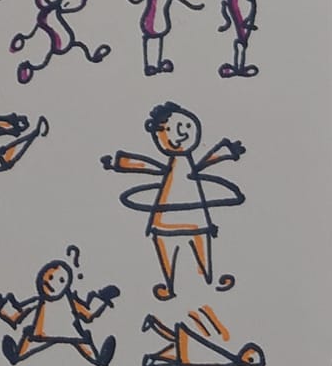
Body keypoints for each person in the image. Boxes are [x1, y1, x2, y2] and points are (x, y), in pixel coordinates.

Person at [102, 102, 246, 299]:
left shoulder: (188, 165)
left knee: (200, 245)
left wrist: (226, 152)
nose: (182, 133)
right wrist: (120, 163)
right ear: (159, 136)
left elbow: (204, 162)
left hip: (195, 220)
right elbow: (148, 166)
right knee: (167, 248)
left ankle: (207, 278)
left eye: (186, 126)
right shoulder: (172, 167)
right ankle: (169, 285)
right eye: (170, 130)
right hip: (166, 221)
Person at [0, 255, 118, 366]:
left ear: (66, 285)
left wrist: (103, 300)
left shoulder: (70, 302)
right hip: (41, 335)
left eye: (61, 280)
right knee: (27, 342)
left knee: (86, 346)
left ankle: (101, 359)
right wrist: (2, 307)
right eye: (50, 277)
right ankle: (14, 355)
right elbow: (19, 313)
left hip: (71, 333)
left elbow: (87, 314)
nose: (53, 283)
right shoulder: (40, 302)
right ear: (43, 278)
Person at [117, 0, 203, 75]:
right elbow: (136, 0)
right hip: (149, 21)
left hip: (161, 22)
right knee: (150, 41)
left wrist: (193, 6)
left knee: (159, 41)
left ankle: (158, 63)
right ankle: (149, 65)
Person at [217, 0, 259, 77]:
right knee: (238, 44)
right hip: (235, 26)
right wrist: (227, 21)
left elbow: (251, 10)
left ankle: (239, 67)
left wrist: (247, 22)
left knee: (241, 44)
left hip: (243, 26)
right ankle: (237, 67)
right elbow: (229, 11)